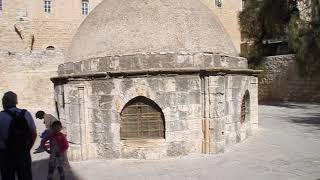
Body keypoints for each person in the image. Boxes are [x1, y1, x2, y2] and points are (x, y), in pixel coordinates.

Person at [0, 91, 37, 180]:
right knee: (26, 177)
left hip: (5, 154)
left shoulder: (1, 116)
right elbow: (34, 134)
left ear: (3, 103)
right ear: (16, 102)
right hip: (23, 152)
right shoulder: (26, 114)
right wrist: (27, 148)